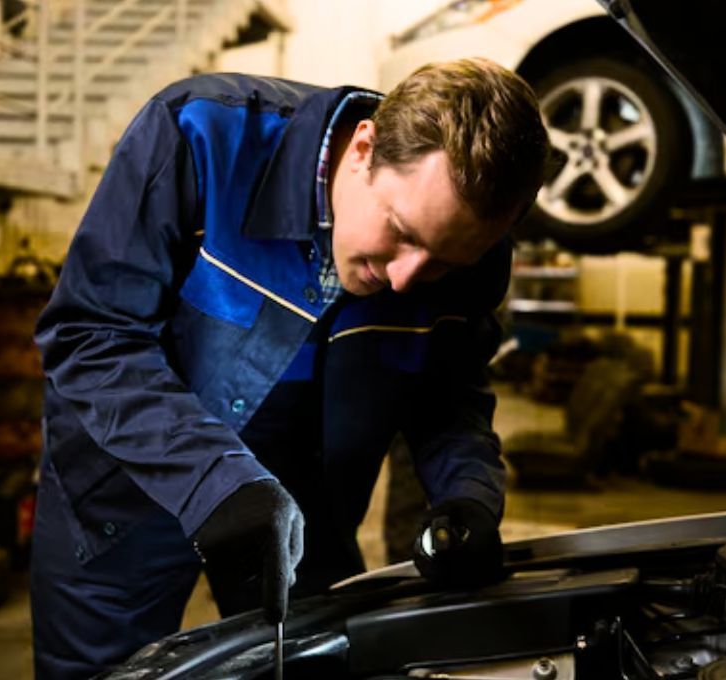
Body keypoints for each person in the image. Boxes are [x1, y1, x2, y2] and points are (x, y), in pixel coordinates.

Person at [30, 58, 549, 679]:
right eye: (401, 232)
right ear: (364, 149)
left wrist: (468, 496)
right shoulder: (199, 136)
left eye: (441, 262)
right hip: (125, 490)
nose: (408, 277)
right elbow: (90, 334)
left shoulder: (475, 250)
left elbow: (449, 395)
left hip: (304, 514)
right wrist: (213, 484)